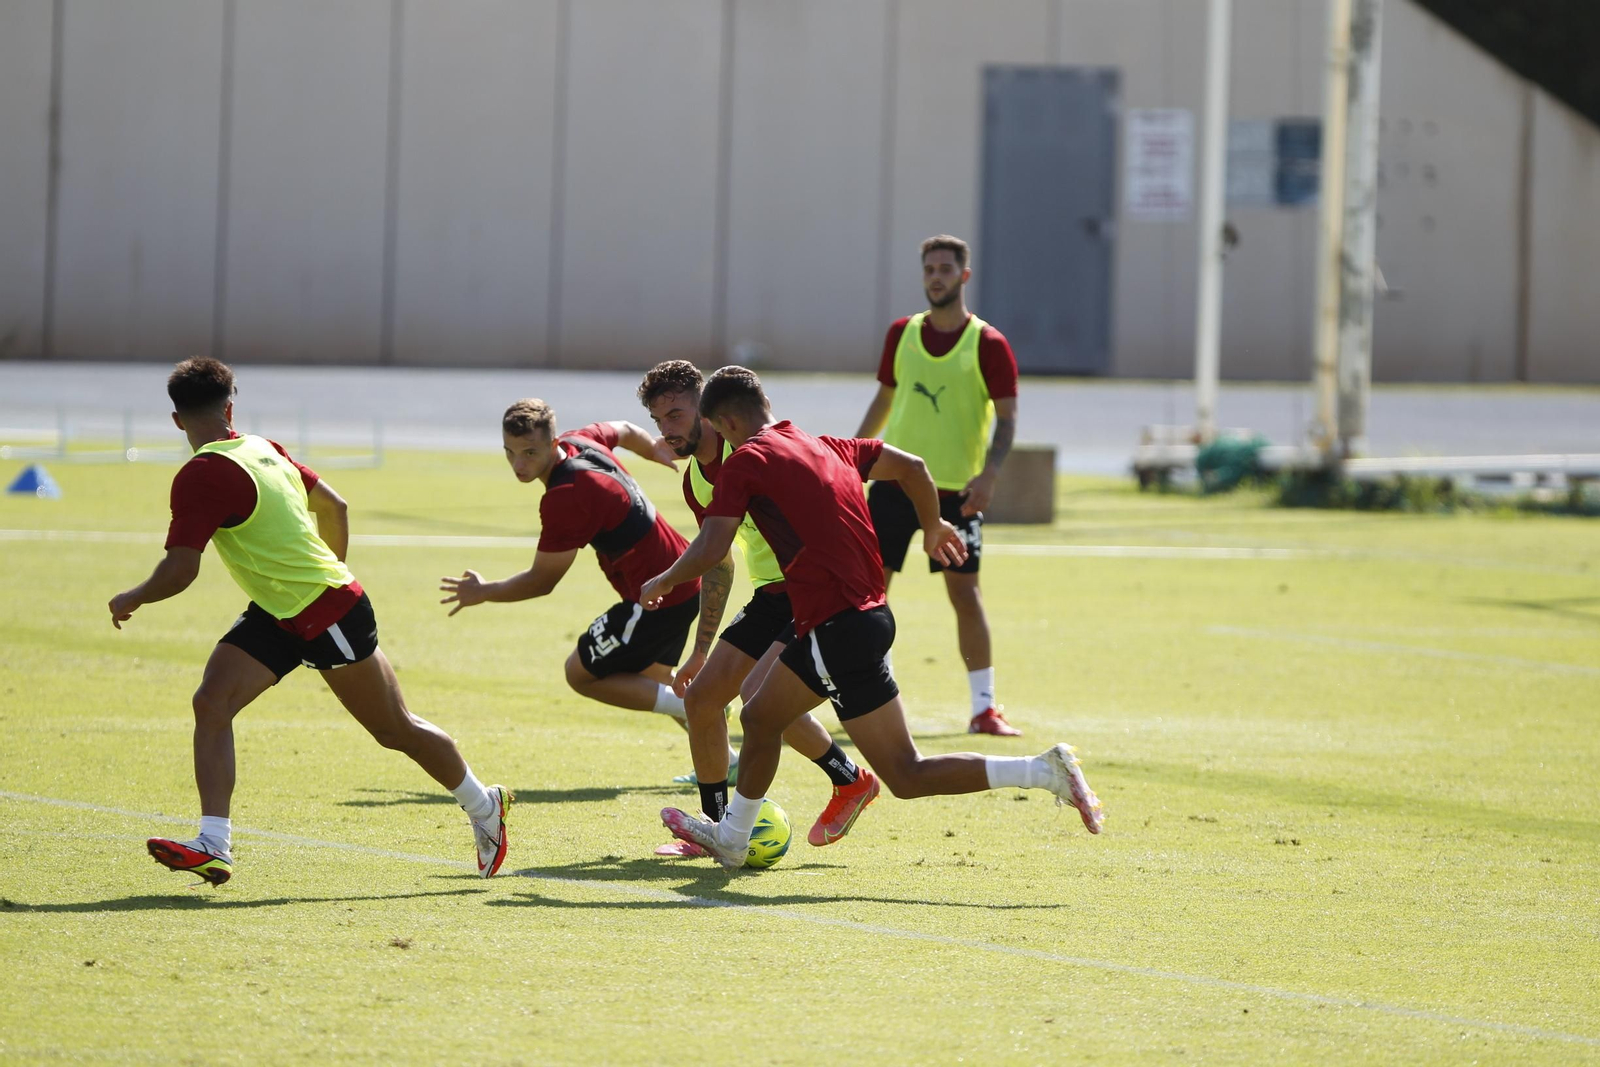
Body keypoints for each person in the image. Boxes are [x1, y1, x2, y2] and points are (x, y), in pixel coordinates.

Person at [642, 367, 1103, 869]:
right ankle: (1043, 770)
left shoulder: (747, 460)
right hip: (869, 618)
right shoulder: (828, 445)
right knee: (906, 774)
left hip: (835, 621)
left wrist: (664, 579)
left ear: (723, 422)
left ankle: (733, 835)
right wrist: (934, 525)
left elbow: (713, 547)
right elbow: (914, 467)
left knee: (757, 714)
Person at [109, 358, 509, 887]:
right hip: (280, 611)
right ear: (230, 407)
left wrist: (131, 597)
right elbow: (335, 507)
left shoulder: (201, 475)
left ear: (177, 420)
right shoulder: (262, 447)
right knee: (212, 701)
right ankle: (213, 843)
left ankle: (484, 807)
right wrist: (328, 570)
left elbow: (181, 570)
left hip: (329, 614)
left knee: (394, 729)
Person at [639, 361, 879, 852]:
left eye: (676, 414)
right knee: (702, 699)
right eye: (658, 420)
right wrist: (702, 650)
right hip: (771, 594)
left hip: (812, 589)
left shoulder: (750, 444)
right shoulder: (694, 483)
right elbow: (718, 560)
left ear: (707, 409)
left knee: (758, 698)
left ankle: (849, 779)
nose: (667, 430)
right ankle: (715, 827)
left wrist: (664, 578)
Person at [440, 400, 699, 732]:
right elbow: (623, 429)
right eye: (509, 452)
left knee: (579, 673)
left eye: (529, 453)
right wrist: (651, 448)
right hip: (684, 574)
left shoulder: (565, 497)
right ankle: (725, 759)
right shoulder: (582, 439)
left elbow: (542, 581)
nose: (517, 464)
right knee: (655, 678)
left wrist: (483, 591)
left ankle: (695, 704)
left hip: (656, 595)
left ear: (552, 444)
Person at [855, 234, 1022, 736]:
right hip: (891, 485)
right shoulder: (901, 334)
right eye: (930, 268)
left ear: (964, 276)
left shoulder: (988, 343)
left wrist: (990, 474)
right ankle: (861, 690)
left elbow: (1008, 419)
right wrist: (849, 458)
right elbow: (884, 400)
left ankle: (984, 708)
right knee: (868, 595)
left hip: (954, 494)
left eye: (946, 268)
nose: (936, 276)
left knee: (965, 597)